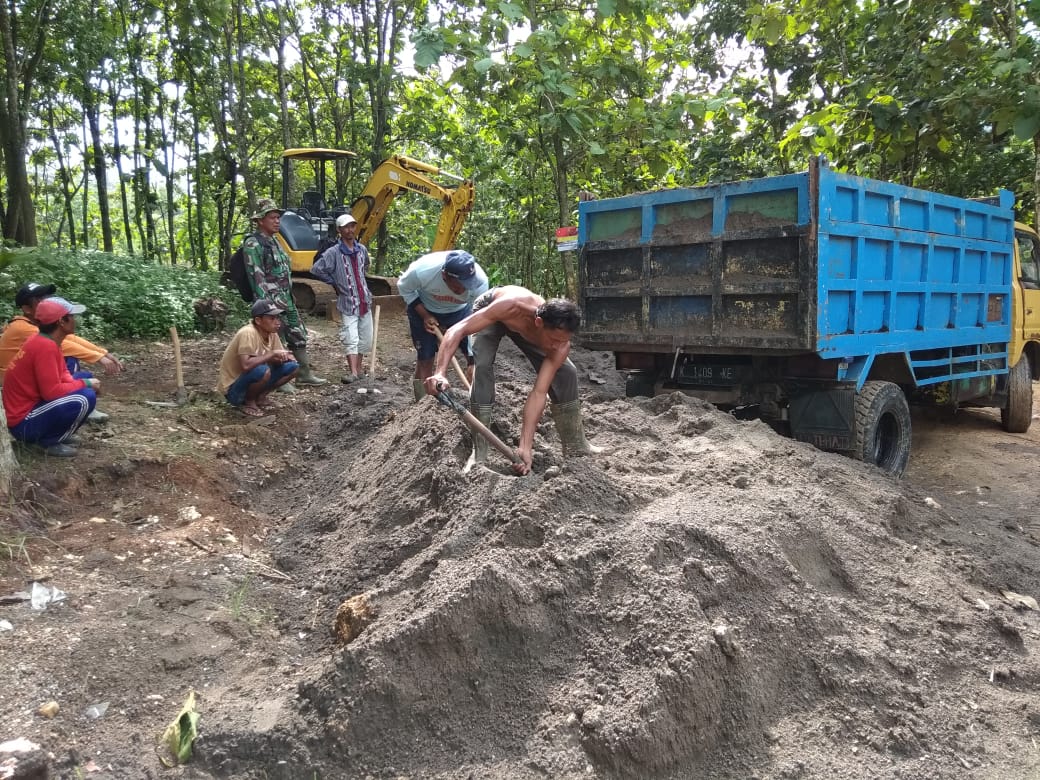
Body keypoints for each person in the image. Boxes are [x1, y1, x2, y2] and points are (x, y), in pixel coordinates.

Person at [424, 286, 602, 475]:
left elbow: (539, 392)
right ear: (539, 322)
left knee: (567, 371)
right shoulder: (512, 306)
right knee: (482, 367)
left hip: (525, 327)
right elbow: (457, 330)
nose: (557, 346)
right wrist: (440, 372)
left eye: (563, 341)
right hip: (491, 309)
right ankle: (479, 454)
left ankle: (576, 444)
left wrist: (525, 446)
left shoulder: (560, 344)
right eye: (554, 339)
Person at [0, 282, 121, 423]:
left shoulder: (38, 328)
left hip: (30, 381)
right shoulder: (24, 329)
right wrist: (98, 360)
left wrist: (103, 353)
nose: (47, 302)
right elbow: (66, 344)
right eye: (40, 300)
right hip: (20, 388)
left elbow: (70, 338)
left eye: (47, 297)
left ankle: (77, 404)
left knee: (83, 377)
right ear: (27, 308)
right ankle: (72, 407)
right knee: (74, 366)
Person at [242, 198, 326, 388]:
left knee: (298, 333)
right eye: (272, 217)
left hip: (286, 299)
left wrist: (290, 296)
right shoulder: (253, 244)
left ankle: (304, 373)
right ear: (260, 220)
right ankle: (278, 379)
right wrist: (266, 309)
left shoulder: (275, 242)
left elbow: (285, 272)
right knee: (273, 339)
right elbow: (257, 277)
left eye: (278, 217)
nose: (277, 221)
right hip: (270, 302)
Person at [3, 297, 99, 457]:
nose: (75, 320)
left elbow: (63, 374)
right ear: (62, 321)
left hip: (32, 407)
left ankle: (54, 433)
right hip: (23, 422)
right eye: (72, 316)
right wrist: (86, 384)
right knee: (84, 397)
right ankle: (49, 441)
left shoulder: (45, 340)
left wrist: (83, 381)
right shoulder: (45, 347)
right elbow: (51, 392)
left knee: (85, 378)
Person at [397, 250, 488, 401]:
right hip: (424, 308)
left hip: (461, 312)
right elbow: (405, 288)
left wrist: (472, 359)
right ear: (444, 275)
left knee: (475, 361)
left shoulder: (480, 283)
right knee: (425, 358)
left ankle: (478, 404)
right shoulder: (422, 271)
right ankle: (422, 406)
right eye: (460, 285)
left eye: (468, 284)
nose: (465, 289)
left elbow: (477, 319)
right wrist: (425, 315)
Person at [310, 213, 373, 384]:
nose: (350, 230)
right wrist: (334, 282)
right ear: (339, 230)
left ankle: (359, 370)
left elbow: (365, 266)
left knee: (366, 338)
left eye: (352, 226)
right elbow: (317, 269)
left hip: (364, 300)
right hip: (348, 301)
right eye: (346, 227)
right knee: (351, 337)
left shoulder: (362, 250)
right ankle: (352, 372)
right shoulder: (333, 253)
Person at [217, 299, 299, 417]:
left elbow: (277, 357)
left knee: (293, 367)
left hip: (251, 380)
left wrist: (285, 357)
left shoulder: (272, 333)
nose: (277, 322)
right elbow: (246, 365)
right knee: (262, 370)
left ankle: (260, 397)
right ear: (258, 320)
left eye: (277, 318)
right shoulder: (248, 333)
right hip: (233, 388)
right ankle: (249, 402)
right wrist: (271, 354)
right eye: (272, 318)